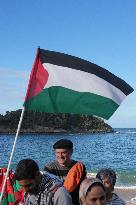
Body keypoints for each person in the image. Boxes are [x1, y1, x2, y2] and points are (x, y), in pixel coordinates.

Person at [44, 139, 86, 205]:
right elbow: (48, 191)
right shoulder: (50, 168)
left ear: (71, 152)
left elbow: (83, 189)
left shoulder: (79, 168)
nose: (60, 156)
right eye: (57, 153)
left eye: (63, 152)